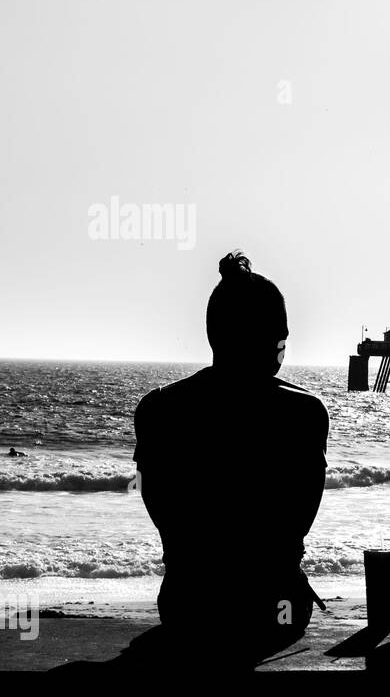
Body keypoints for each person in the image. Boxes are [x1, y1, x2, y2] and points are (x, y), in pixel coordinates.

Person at [129, 250, 329, 671]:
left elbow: (162, 510)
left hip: (187, 610)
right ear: (272, 338)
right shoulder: (304, 414)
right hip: (275, 611)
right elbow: (296, 522)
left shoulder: (158, 409)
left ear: (214, 334)